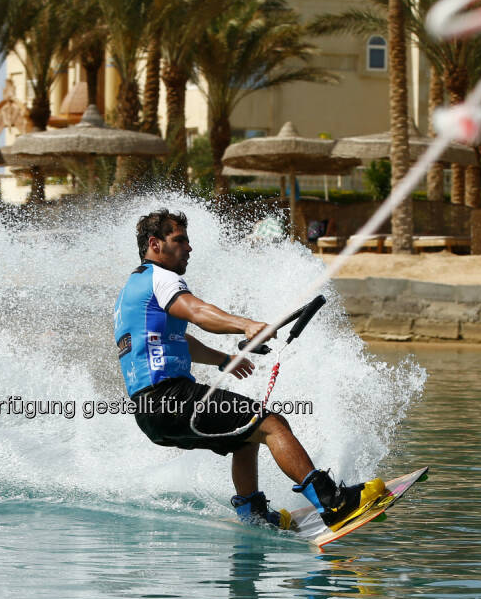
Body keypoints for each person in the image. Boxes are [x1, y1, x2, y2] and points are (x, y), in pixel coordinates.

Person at [114, 209, 384, 530]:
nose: (189, 248)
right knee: (271, 424)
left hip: (149, 412)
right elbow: (198, 311)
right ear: (155, 244)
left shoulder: (132, 290)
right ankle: (333, 502)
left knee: (246, 436)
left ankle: (253, 517)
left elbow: (177, 339)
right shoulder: (162, 278)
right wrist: (246, 325)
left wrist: (222, 360)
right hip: (171, 397)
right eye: (180, 240)